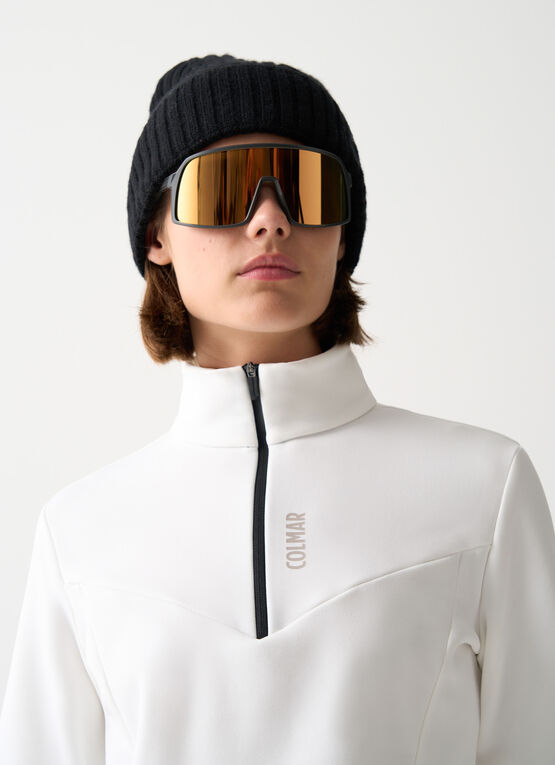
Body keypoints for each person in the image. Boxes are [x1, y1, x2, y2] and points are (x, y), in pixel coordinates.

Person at [0, 53, 554, 765]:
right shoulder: (79, 531)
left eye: (307, 187)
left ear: (343, 234)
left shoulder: (485, 487)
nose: (269, 219)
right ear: (156, 235)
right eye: (220, 187)